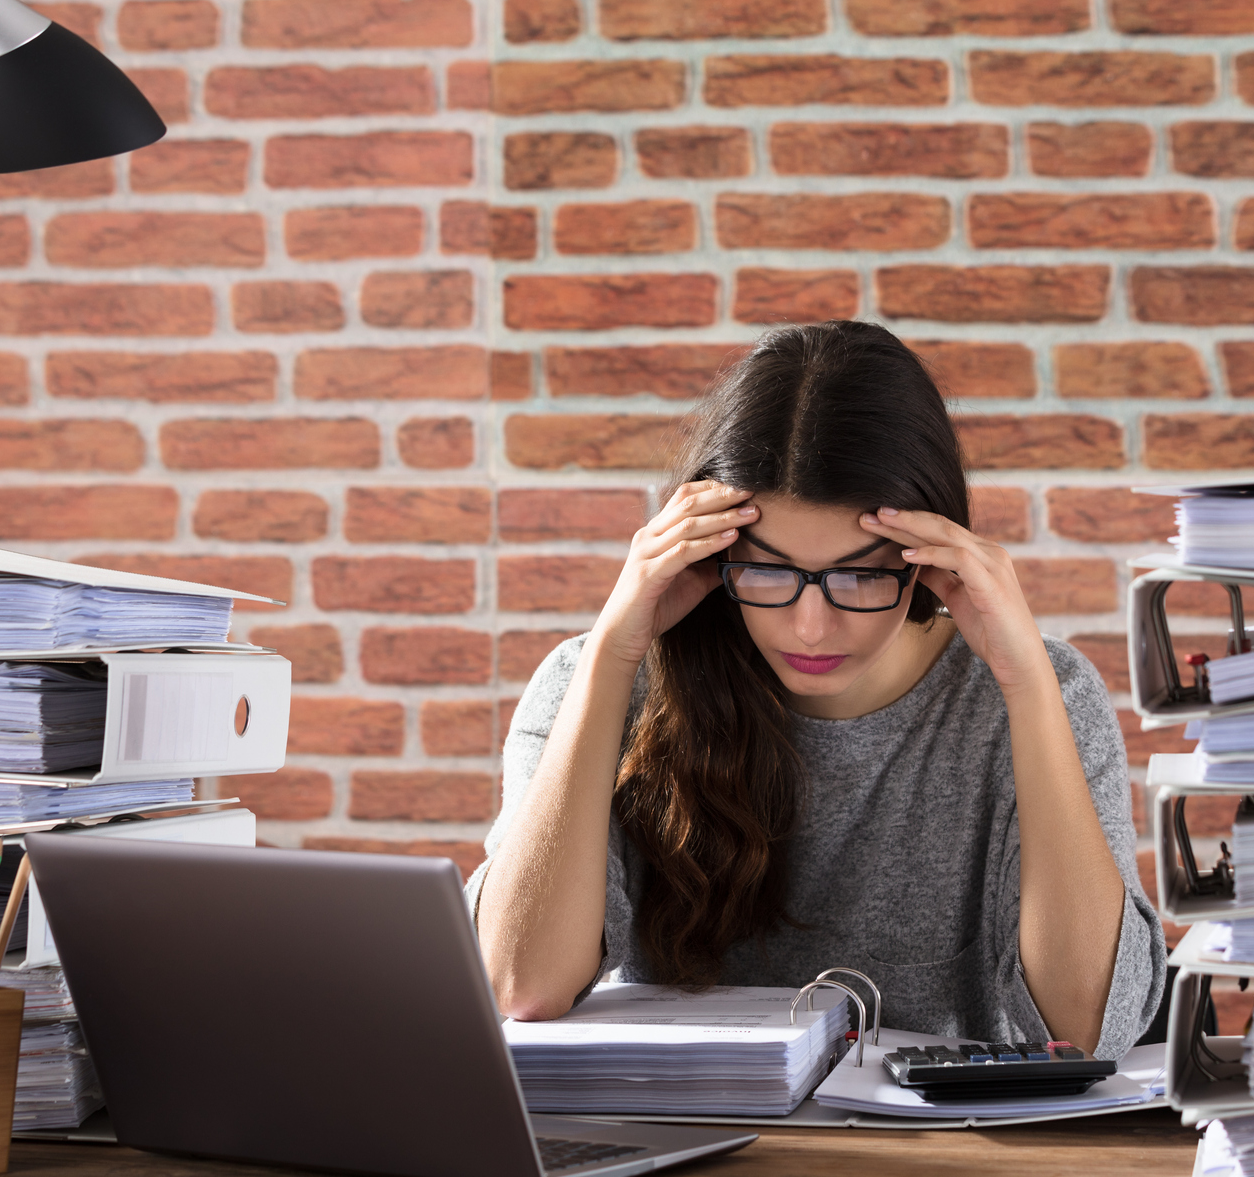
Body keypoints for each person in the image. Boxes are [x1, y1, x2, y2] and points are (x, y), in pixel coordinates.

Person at [467, 321, 1164, 1057]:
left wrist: (1027, 686)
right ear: (708, 555)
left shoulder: (1038, 695)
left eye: (860, 576)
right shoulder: (594, 681)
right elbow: (522, 986)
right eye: (767, 571)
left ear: (931, 559)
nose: (809, 628)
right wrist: (612, 655)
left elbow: (1092, 1030)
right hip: (669, 1126)